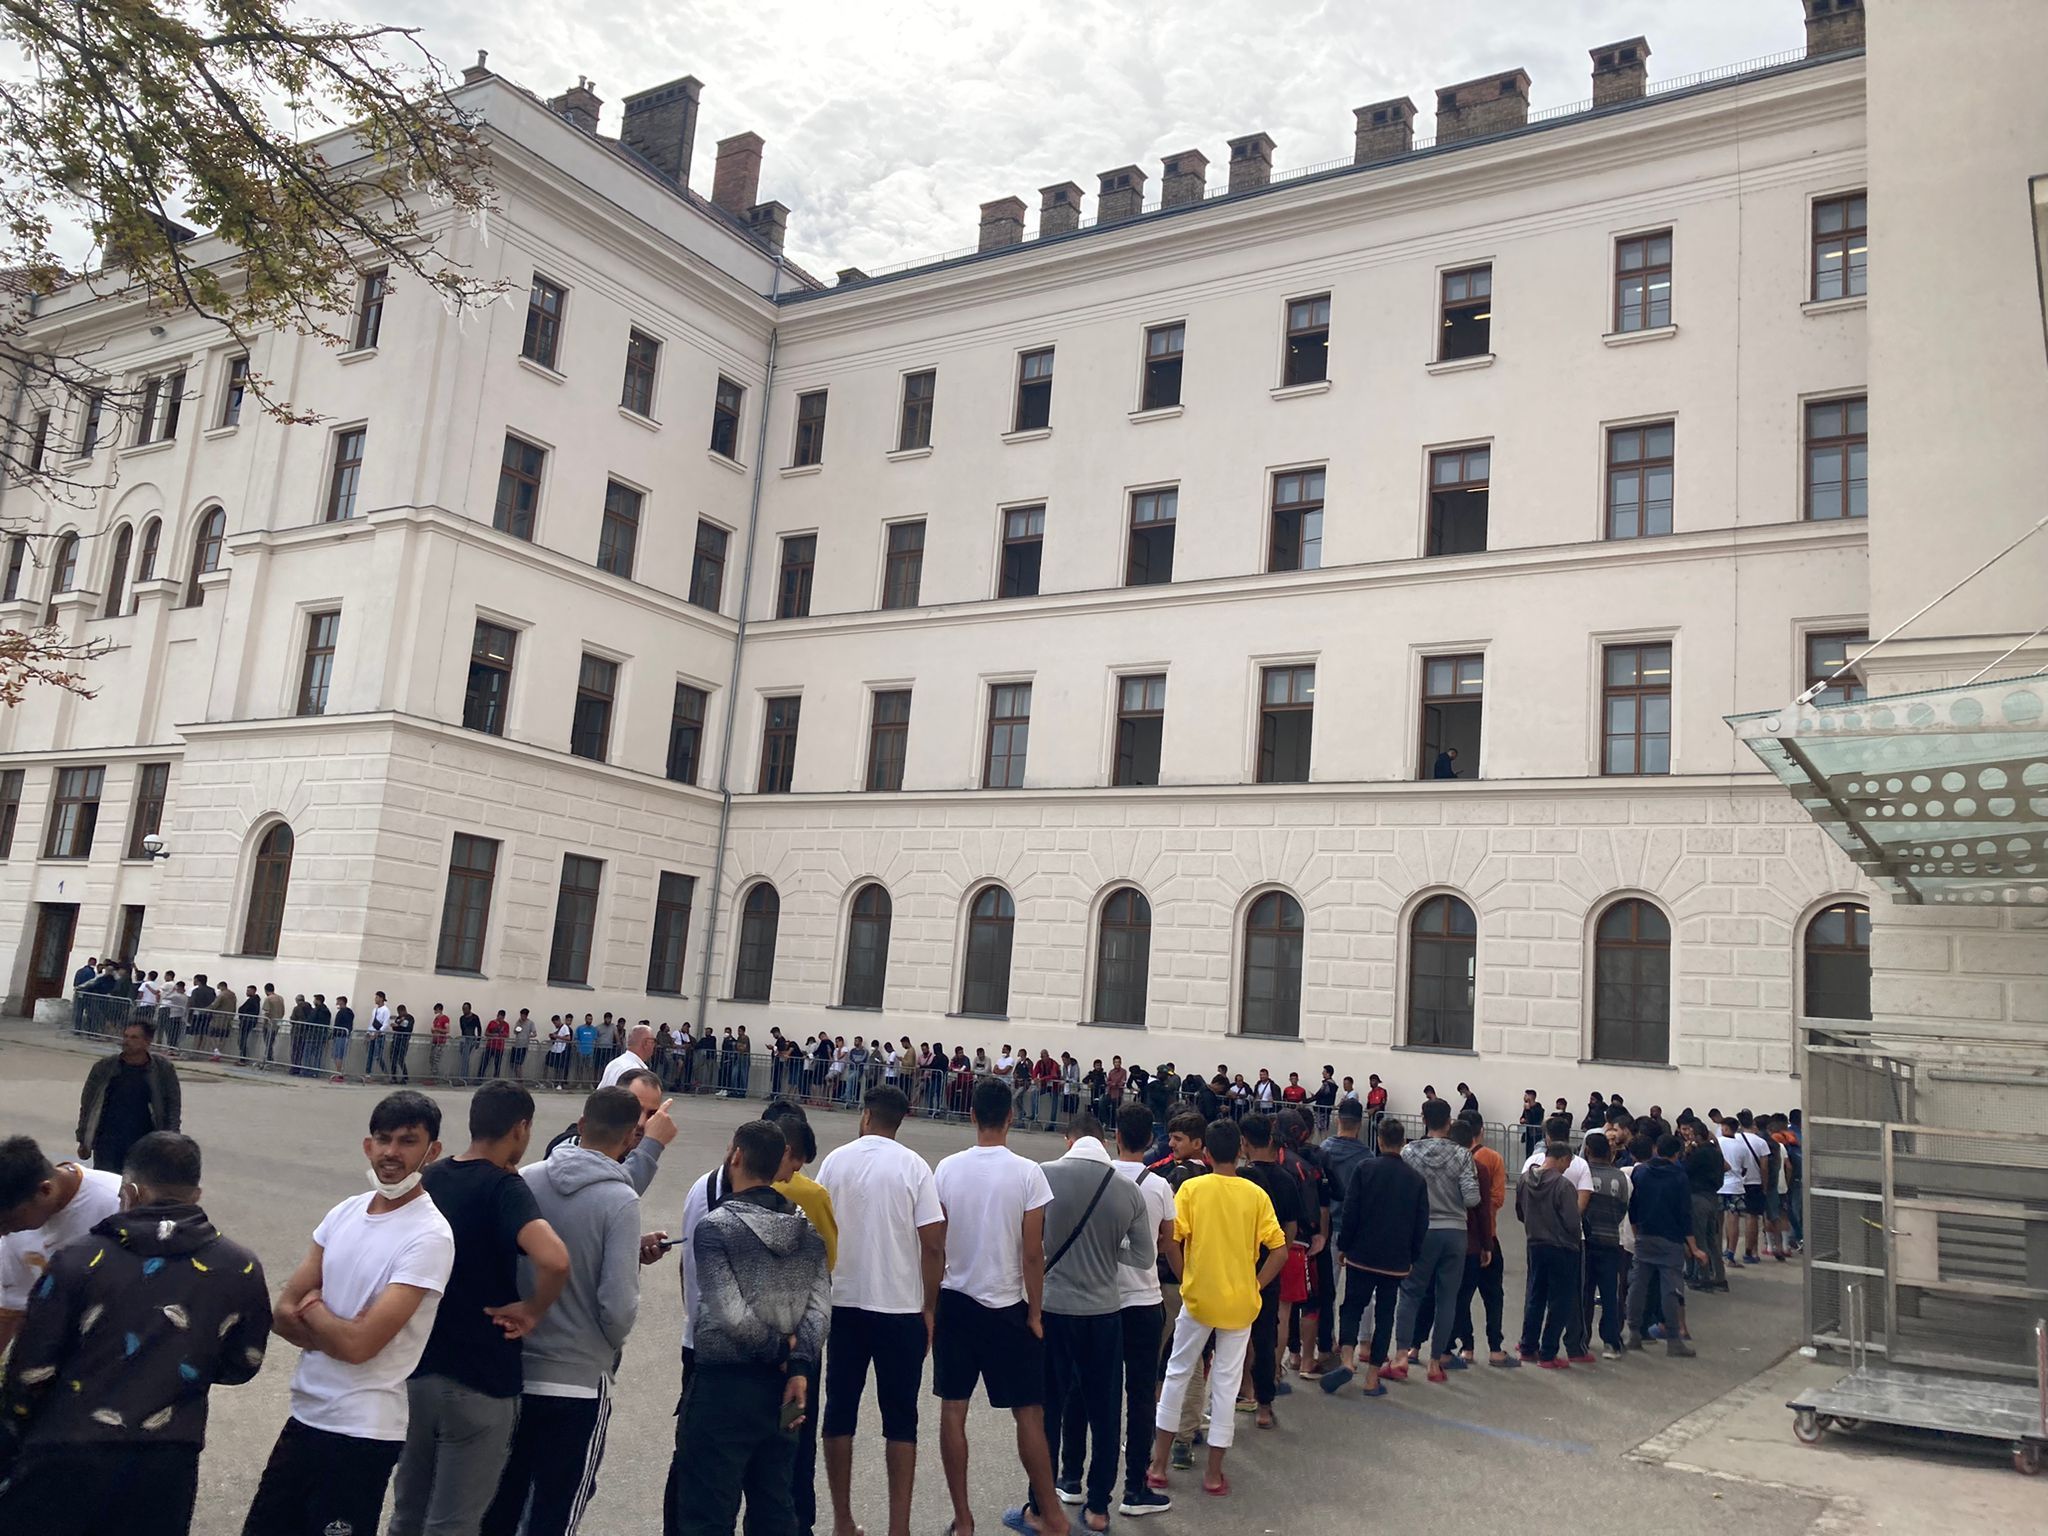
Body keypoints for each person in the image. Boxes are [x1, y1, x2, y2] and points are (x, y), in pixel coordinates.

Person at [0, 1132, 270, 1536]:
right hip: (167, 1464)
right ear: (196, 1195)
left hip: (66, 1452)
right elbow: (241, 1364)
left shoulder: (76, 1260)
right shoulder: (240, 1267)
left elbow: (31, 1372)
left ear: (129, 1193)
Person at [243, 1091, 457, 1536]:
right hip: (304, 1419)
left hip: (363, 1433)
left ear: (432, 1151)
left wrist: (317, 1309)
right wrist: (337, 1332)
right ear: (368, 1145)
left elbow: (360, 1346)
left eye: (407, 1141)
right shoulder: (344, 1213)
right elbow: (282, 1313)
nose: (392, 1153)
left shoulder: (430, 1236)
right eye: (383, 1140)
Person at [388, 1082, 571, 1536]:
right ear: (521, 1128)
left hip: (419, 1369)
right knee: (455, 1523)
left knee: (407, 1513)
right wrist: (533, 1309)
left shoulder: (431, 1177)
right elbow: (554, 1258)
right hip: (481, 1378)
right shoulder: (504, 1186)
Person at [480, 1088, 647, 1536]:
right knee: (556, 1511)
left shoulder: (526, 1180)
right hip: (577, 1380)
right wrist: (607, 1345)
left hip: (515, 1368)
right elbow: (617, 1305)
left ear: (580, 1121)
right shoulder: (620, 1201)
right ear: (633, 1136)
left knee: (500, 1503)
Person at [670, 1122, 831, 1536]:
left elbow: (729, 1312)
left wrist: (781, 1353)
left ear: (736, 1156)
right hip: (788, 1390)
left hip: (725, 1385)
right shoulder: (805, 1230)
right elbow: (818, 1310)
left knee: (707, 1510)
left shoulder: (717, 1226)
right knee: (776, 1502)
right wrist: (798, 1365)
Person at [930, 1077, 1066, 1536]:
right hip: (1008, 1303)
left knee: (953, 1409)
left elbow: (937, 1242)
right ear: (1011, 1117)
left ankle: (964, 1518)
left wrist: (931, 1304)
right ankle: (1053, 1515)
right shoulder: (1029, 1173)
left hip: (957, 1299)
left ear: (972, 1116)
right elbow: (1033, 1253)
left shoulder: (946, 1169)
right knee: (1029, 1411)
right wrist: (1035, 1312)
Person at [813, 1086, 944, 1536]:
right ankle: (899, 1527)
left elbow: (815, 1229)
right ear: (901, 1121)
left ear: (866, 1115)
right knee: (902, 1418)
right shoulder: (914, 1167)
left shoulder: (835, 1161)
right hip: (900, 1307)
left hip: (845, 1302)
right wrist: (930, 1306)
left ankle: (843, 1519)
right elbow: (932, 1244)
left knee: (840, 1409)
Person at [1145, 1119, 1286, 1500]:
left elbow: (1169, 1239)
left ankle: (1158, 1466)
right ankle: (1213, 1474)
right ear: (1240, 1149)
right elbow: (1280, 1249)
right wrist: (1255, 1284)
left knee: (1177, 1372)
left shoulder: (1192, 1188)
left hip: (1198, 1297)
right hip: (1240, 1303)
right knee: (1224, 1386)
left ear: (1205, 1151)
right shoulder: (1255, 1194)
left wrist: (1185, 1273)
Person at [1032, 1111, 1154, 1536]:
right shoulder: (1127, 1191)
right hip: (1104, 1312)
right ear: (1106, 1141)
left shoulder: (1042, 1176)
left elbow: (1027, 1241)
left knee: (1048, 1406)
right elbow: (1144, 1258)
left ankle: (1043, 1503)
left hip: (1054, 1308)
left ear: (1069, 1140)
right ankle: (1099, 1507)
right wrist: (1109, 1251)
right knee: (1105, 1409)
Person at [1064, 1102, 1182, 1520]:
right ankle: (1135, 1485)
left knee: (1086, 1388)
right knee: (1140, 1393)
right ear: (1150, 1140)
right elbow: (1167, 1239)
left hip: (1102, 1297)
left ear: (1115, 1137)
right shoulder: (1158, 1185)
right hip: (1144, 1298)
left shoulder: (1103, 1176)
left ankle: (1071, 1475)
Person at [1321, 1116, 1427, 1396]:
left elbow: (1351, 1210)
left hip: (1361, 1253)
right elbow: (1420, 1223)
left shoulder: (1365, 1168)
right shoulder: (1416, 1180)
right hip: (1395, 1260)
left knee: (1352, 1306)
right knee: (1384, 1314)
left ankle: (1346, 1360)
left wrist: (1344, 1245)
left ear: (1378, 1141)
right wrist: (1411, 1256)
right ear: (1403, 1144)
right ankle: (1371, 1378)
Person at [0, 1137, 125, 1358]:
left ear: (45, 1191)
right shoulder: (12, 1232)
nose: (4, 1232)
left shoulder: (116, 1203)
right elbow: (10, 1311)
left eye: (8, 1223)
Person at [1392, 1097, 1478, 1381]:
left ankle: (1402, 1355)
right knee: (1447, 1297)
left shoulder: (1409, 1152)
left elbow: (1402, 1194)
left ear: (1423, 1119)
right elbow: (1472, 1198)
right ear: (1450, 1121)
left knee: (1411, 1292)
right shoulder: (1463, 1155)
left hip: (1422, 1230)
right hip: (1455, 1232)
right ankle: (1435, 1362)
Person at [1146, 1111, 1210, 1471]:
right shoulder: (1215, 1178)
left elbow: (1164, 1234)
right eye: (1171, 1138)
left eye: (1179, 1139)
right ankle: (1186, 1434)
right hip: (1198, 1277)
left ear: (1198, 1142)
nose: (1171, 1145)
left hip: (1172, 1276)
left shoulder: (1173, 1177)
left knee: (1161, 1356)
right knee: (1194, 1357)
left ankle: (1159, 1429)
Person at [1236, 1114, 1301, 1429]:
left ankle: (1236, 1391)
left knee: (1230, 1334)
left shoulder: (1239, 1177)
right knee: (1265, 1336)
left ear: (1244, 1143)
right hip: (1270, 1267)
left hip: (1237, 1264)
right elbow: (1291, 1226)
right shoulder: (1288, 1179)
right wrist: (1281, 1253)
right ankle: (1264, 1404)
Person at [75, 1016, 181, 1174]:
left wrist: (171, 1140)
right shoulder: (104, 1067)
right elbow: (88, 1105)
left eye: (134, 1037)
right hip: (107, 1143)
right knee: (108, 1189)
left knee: (138, 1189)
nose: (127, 1041)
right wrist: (83, 1139)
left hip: (145, 1143)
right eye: (125, 1036)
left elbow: (173, 1106)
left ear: (147, 1041)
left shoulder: (162, 1070)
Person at [1448, 1118, 1512, 1368]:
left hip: (1460, 1239)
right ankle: (1495, 1347)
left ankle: (1467, 1346)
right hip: (1487, 1237)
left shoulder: (1451, 1163)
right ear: (1480, 1132)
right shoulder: (1492, 1159)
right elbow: (1496, 1199)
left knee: (1460, 1296)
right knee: (1493, 1295)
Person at [1627, 1135, 1695, 1357]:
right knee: (1671, 1289)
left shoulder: (1641, 1172)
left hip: (1645, 1235)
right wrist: (1693, 1246)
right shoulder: (1679, 1176)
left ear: (1656, 1149)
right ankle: (1674, 1339)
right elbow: (1685, 1214)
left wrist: (1637, 1232)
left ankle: (1634, 1333)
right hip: (1670, 1239)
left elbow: (1633, 1207)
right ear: (1676, 1154)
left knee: (1638, 1286)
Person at [1514, 1142, 1582, 1367]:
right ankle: (1548, 1352)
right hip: (1561, 1247)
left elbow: (1520, 1212)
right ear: (1562, 1159)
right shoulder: (1563, 1186)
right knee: (1560, 1301)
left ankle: (1527, 1346)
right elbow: (1573, 1222)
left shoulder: (1523, 1180)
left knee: (1536, 1296)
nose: (1567, 1167)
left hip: (1535, 1243)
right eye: (1568, 1162)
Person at [1580, 1132, 1630, 1360]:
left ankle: (1583, 1338)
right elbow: (1622, 1208)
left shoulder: (1584, 1174)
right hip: (1611, 1240)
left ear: (1588, 1150)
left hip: (1586, 1241)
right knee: (1610, 1293)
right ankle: (1611, 1341)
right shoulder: (1619, 1177)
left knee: (1584, 1291)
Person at [601, 1023, 655, 1088]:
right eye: (653, 1041)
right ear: (645, 1043)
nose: (654, 1045)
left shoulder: (614, 1063)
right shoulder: (634, 1071)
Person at [259, 982, 286, 1061]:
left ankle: (268, 1058)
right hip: (277, 1023)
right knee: (271, 1042)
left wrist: (264, 1023)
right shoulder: (280, 998)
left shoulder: (268, 998)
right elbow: (283, 1011)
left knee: (268, 1042)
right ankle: (269, 1058)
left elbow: (266, 1012)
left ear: (266, 990)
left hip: (269, 1024)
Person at [236, 984, 263, 1060]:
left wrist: (242, 1014)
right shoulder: (254, 1000)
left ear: (253, 991)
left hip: (246, 1022)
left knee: (242, 1040)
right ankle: (242, 1057)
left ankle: (243, 1058)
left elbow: (243, 1009)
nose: (246, 992)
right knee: (242, 1040)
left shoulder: (252, 1000)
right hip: (247, 1022)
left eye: (248, 990)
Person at [332, 994, 355, 1079]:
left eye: (338, 1001)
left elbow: (338, 1023)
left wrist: (334, 1033)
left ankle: (339, 1073)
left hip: (340, 1035)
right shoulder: (350, 1012)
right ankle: (339, 1072)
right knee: (339, 1055)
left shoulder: (342, 1012)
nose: (336, 1003)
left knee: (338, 1055)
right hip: (345, 1035)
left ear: (341, 1002)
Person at [459, 1003, 483, 1082]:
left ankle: (464, 1078)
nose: (464, 1011)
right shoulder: (462, 1018)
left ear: (469, 1009)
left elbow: (479, 1028)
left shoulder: (475, 1017)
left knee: (466, 1059)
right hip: (464, 1038)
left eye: (465, 1009)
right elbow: (462, 1029)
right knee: (463, 1058)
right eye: (463, 1009)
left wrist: (478, 1041)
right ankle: (462, 1076)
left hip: (471, 1038)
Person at [429, 1006, 452, 1080]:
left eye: (435, 1010)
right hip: (435, 1041)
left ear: (439, 1010)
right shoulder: (436, 1019)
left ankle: (434, 1077)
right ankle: (433, 1075)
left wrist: (436, 1029)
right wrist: (433, 1030)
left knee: (436, 1059)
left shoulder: (445, 1018)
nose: (435, 1012)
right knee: (431, 1058)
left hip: (440, 1042)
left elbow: (447, 1030)